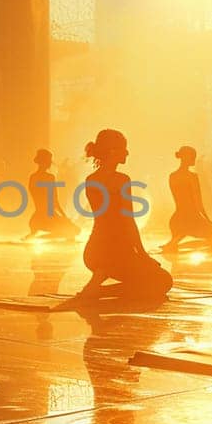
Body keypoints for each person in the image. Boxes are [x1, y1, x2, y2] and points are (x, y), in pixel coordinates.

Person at [72, 129, 172, 303]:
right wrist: (142, 255)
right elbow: (127, 221)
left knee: (150, 281)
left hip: (94, 251)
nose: (127, 152)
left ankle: (96, 287)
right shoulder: (122, 180)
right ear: (112, 151)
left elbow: (106, 220)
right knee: (163, 281)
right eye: (123, 148)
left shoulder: (91, 180)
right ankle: (100, 289)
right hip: (114, 252)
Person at [160, 146, 212, 252]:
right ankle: (179, 244)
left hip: (177, 220)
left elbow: (178, 199)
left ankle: (174, 242)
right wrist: (207, 219)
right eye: (193, 157)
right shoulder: (192, 177)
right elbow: (198, 202)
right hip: (192, 219)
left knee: (182, 234)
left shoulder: (172, 176)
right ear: (186, 157)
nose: (194, 160)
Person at [25, 149, 79, 240]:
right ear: (45, 162)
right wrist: (64, 217)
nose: (50, 163)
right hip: (47, 217)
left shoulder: (33, 177)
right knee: (74, 231)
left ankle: (36, 236)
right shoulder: (50, 177)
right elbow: (54, 201)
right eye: (49, 161)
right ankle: (41, 238)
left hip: (35, 219)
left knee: (71, 231)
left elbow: (37, 198)